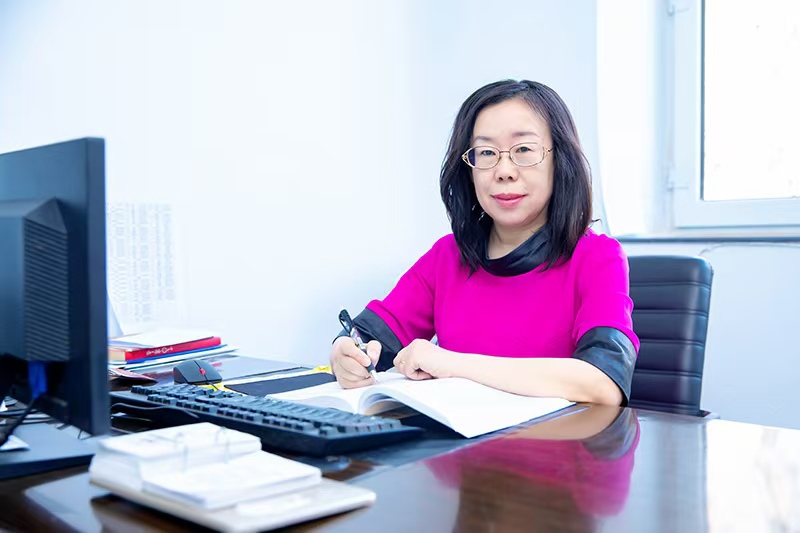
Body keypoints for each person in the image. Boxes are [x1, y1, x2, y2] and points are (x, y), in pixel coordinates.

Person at [330, 79, 638, 405]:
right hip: (459, 436)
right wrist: (345, 353)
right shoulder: (447, 256)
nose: (504, 171)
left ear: (559, 160)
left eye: (524, 150)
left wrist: (454, 364)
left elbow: (604, 383)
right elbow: (369, 335)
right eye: (487, 153)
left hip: (557, 437)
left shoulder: (597, 256)